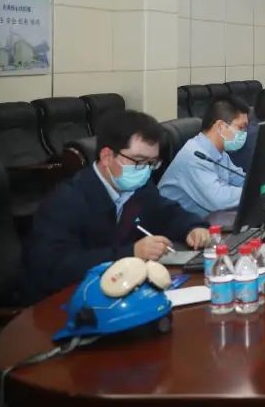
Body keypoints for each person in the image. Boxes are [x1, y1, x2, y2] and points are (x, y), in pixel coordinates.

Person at [25, 110, 209, 302]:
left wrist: (192, 228)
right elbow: (53, 268)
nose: (145, 171)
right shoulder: (67, 200)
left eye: (151, 163)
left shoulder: (140, 188)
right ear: (106, 156)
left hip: (118, 291)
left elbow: (168, 213)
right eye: (139, 161)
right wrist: (131, 253)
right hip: (65, 301)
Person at [159, 97, 252, 217]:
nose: (244, 133)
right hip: (174, 225)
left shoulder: (220, 153)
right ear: (221, 127)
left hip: (203, 219)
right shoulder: (194, 156)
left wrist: (263, 186)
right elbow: (219, 200)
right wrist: (255, 191)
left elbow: (240, 179)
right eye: (241, 128)